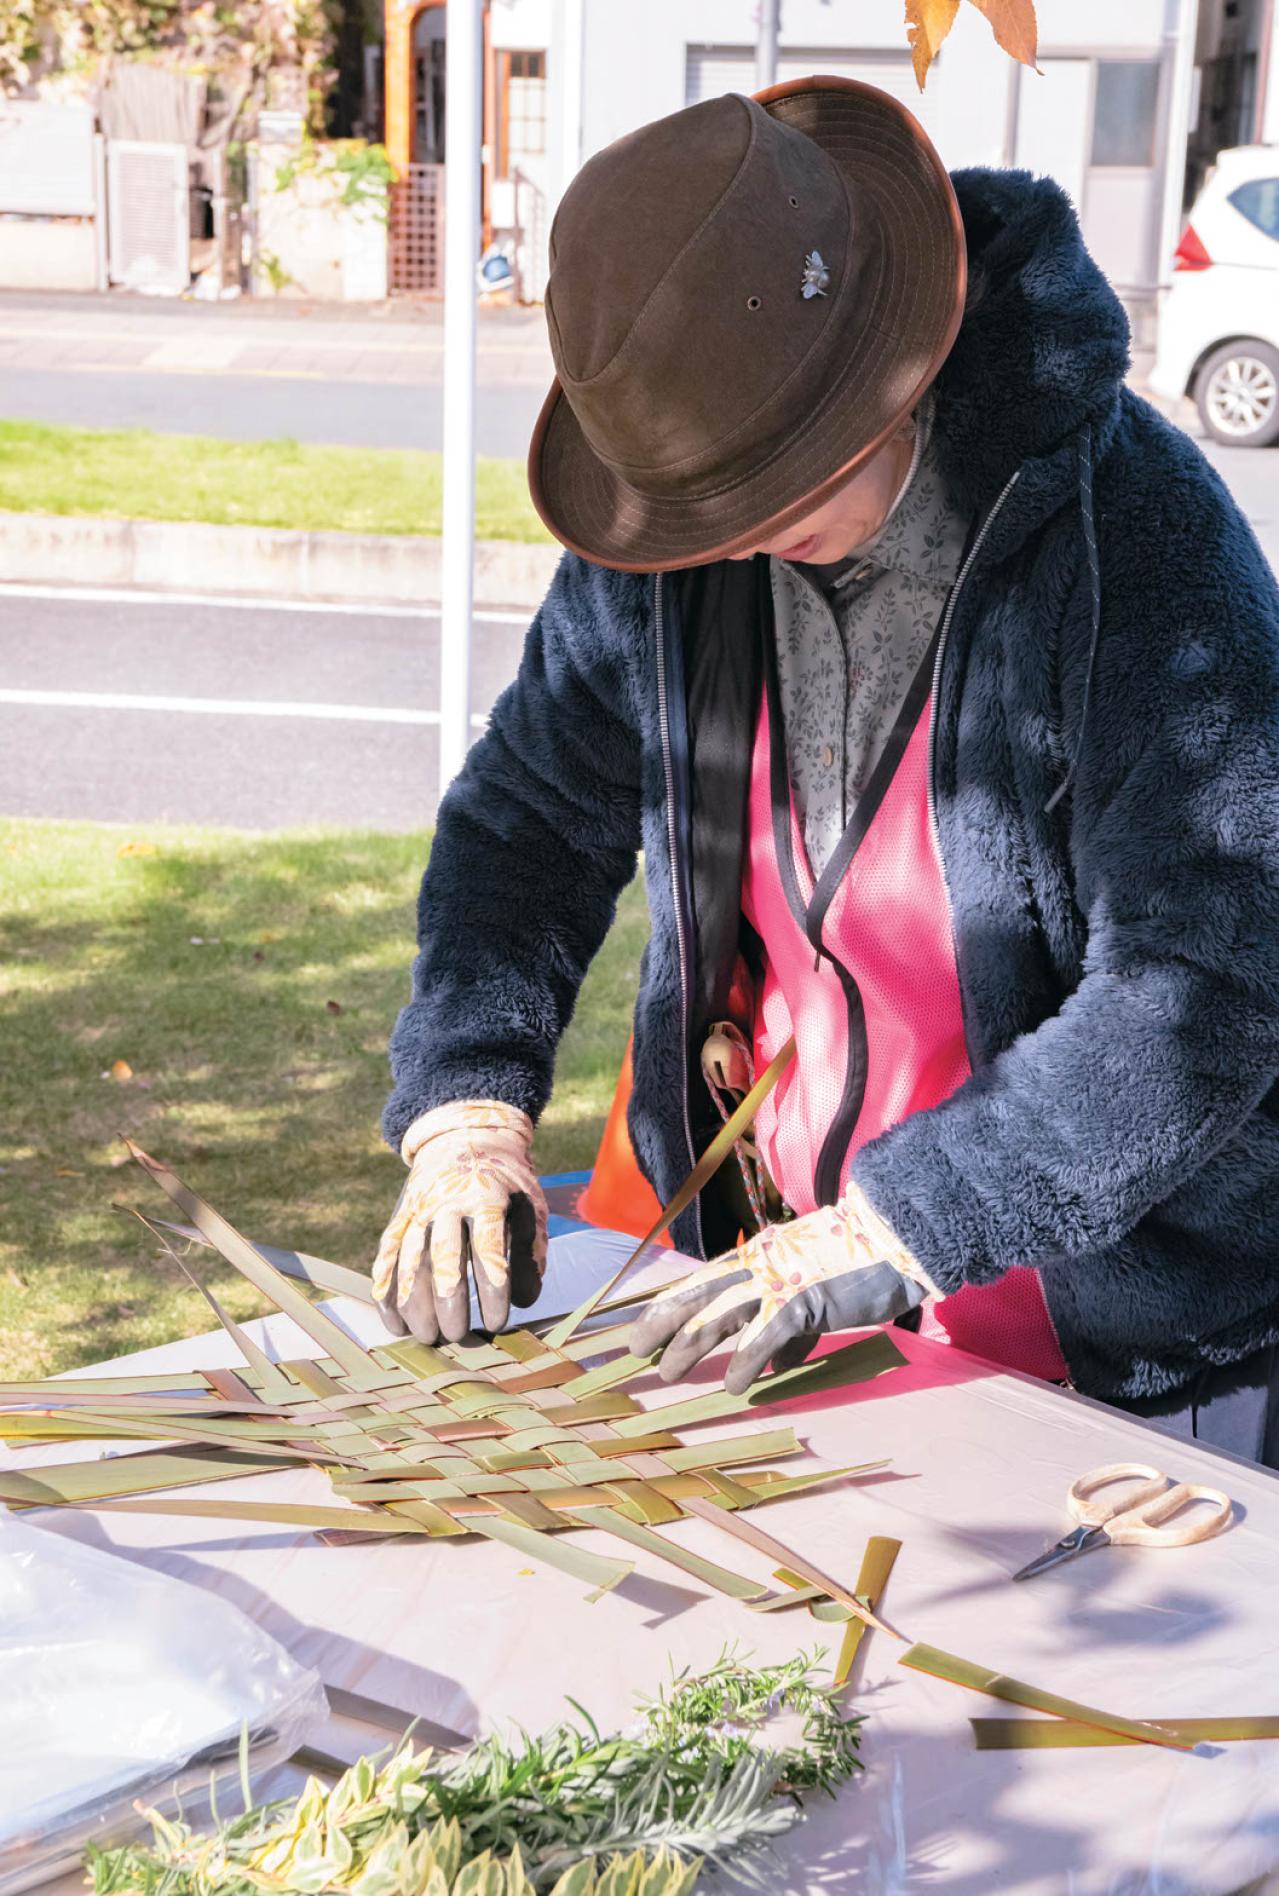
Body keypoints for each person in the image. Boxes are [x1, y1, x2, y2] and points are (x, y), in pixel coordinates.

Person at [372, 79, 1279, 1466]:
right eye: (709, 504)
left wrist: (906, 1224)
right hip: (780, 1284)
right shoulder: (681, 537)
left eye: (774, 483)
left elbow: (1211, 977)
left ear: (890, 360)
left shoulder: (1136, 544)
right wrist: (466, 1105)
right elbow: (531, 817)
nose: (740, 539)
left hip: (1104, 1338)